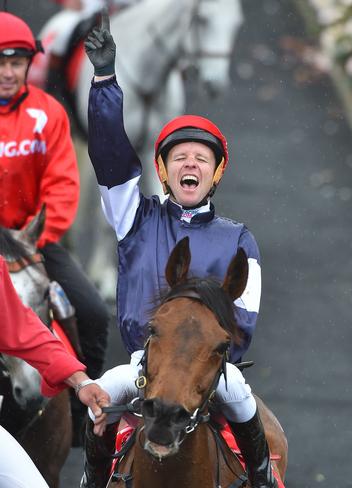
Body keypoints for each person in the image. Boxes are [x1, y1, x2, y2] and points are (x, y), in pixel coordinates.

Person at [81, 10, 277, 488]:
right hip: (145, 362)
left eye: (202, 158)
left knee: (246, 401)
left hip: (211, 367)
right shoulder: (136, 216)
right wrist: (105, 79)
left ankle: (262, 477)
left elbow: (243, 321)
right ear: (164, 171)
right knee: (98, 400)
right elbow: (108, 154)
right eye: (179, 157)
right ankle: (92, 477)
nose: (191, 163)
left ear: (216, 172)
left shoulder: (239, 238)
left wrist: (206, 361)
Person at [0, 11, 110, 446]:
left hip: (33, 241)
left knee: (93, 313)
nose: (8, 72)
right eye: (0, 62)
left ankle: (85, 424)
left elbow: (63, 184)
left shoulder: (49, 113)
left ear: (29, 64)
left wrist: (34, 236)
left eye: (17, 62)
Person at [0, 254, 110, 488]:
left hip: (30, 237)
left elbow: (19, 327)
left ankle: (77, 417)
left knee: (92, 313)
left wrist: (81, 381)